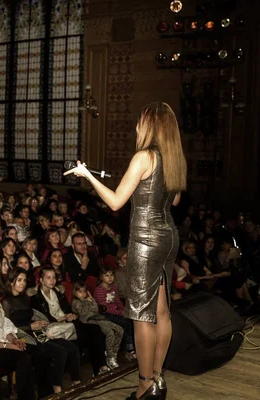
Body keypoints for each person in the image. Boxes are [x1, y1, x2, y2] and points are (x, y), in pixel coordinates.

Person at [65, 102, 187, 399]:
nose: (136, 127)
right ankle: (158, 377)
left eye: (140, 122)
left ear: (150, 126)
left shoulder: (144, 157)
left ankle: (145, 384)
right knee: (162, 311)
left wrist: (88, 176)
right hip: (169, 236)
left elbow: (117, 201)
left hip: (146, 240)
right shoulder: (174, 158)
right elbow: (175, 203)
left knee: (142, 315)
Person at [2, 267, 81, 394]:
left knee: (70, 347)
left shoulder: (24, 298)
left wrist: (39, 322)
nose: (22, 283)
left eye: (24, 280)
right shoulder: (6, 302)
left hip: (35, 333)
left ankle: (70, 383)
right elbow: (6, 328)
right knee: (56, 351)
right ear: (11, 282)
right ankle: (53, 389)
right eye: (19, 280)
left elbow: (30, 316)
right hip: (20, 337)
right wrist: (30, 327)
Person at [30, 267, 109, 376]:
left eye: (54, 277)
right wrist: (62, 318)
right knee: (88, 335)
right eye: (48, 278)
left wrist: (72, 315)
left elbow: (67, 308)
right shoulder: (36, 298)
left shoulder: (57, 292)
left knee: (95, 329)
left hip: (68, 324)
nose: (52, 280)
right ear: (41, 280)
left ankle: (101, 367)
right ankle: (96, 369)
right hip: (55, 327)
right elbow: (44, 319)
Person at [71, 281, 124, 369]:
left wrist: (92, 300)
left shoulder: (88, 300)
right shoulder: (75, 302)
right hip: (90, 321)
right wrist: (87, 302)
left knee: (120, 330)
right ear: (75, 292)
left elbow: (95, 310)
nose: (83, 294)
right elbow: (83, 312)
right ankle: (110, 357)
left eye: (84, 291)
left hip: (98, 318)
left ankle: (112, 354)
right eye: (80, 292)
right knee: (110, 333)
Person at [93, 268, 136, 360]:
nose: (110, 278)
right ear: (101, 277)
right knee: (125, 322)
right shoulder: (99, 290)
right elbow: (105, 307)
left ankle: (129, 349)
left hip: (116, 312)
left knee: (129, 321)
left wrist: (124, 310)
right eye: (107, 275)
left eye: (111, 275)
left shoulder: (113, 288)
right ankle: (129, 350)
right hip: (105, 314)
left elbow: (118, 301)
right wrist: (120, 313)